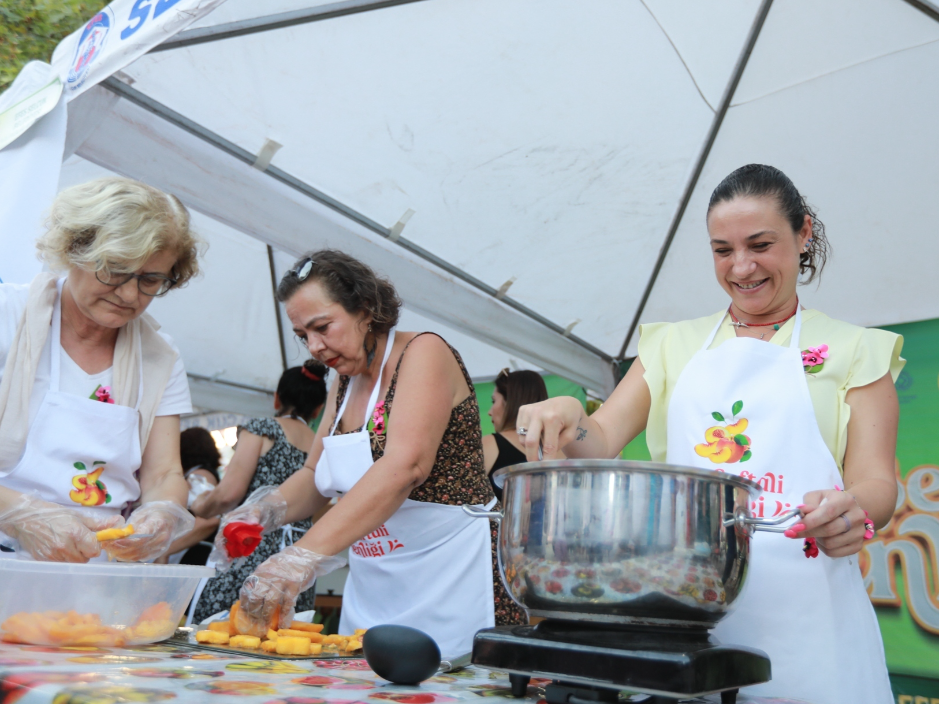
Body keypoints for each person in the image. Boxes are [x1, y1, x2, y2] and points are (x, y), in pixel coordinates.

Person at [516, 164, 900, 704]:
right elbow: (598, 439)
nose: (741, 267)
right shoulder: (673, 344)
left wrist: (852, 509)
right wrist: (567, 411)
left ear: (803, 232)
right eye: (723, 250)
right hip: (688, 628)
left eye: (760, 244)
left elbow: (878, 483)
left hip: (813, 631)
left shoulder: (856, 350)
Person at [215, 250, 526, 655]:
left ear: (366, 309)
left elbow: (405, 466)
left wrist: (301, 555)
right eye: (303, 335)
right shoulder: (343, 383)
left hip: (451, 575)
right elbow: (315, 476)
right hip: (377, 580)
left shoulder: (424, 352)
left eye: (322, 327)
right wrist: (262, 511)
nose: (314, 346)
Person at [0, 177, 199, 563]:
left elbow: (162, 475)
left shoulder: (159, 356)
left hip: (97, 567)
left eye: (150, 279)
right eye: (115, 269)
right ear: (74, 248)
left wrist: (161, 513)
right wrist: (17, 513)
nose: (129, 294)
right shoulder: (8, 317)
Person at [189, 360, 328, 623]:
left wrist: (199, 506)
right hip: (297, 559)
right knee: (283, 636)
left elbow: (228, 494)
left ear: (277, 398)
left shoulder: (263, 429)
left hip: (250, 544)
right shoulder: (321, 447)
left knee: (224, 629)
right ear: (319, 408)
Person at [154, 427, 222, 566]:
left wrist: (166, 551)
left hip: (194, 553)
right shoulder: (205, 474)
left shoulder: (199, 477)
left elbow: (210, 520)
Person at [482, 368, 548, 500]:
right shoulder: (565, 447)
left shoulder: (488, 445)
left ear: (510, 402)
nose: (490, 411)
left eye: (493, 401)